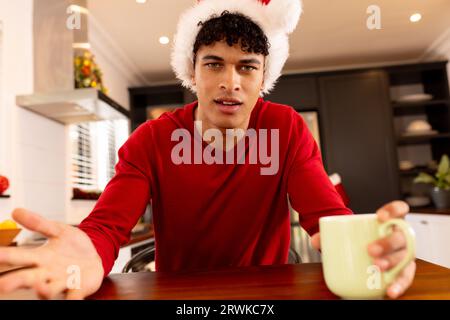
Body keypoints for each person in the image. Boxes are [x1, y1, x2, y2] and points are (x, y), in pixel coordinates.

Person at [0, 0, 415, 300]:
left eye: (247, 66)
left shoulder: (286, 128)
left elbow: (327, 219)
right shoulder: (152, 139)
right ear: (192, 72)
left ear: (263, 75)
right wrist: (86, 253)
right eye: (214, 64)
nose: (230, 82)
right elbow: (107, 227)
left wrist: (370, 249)